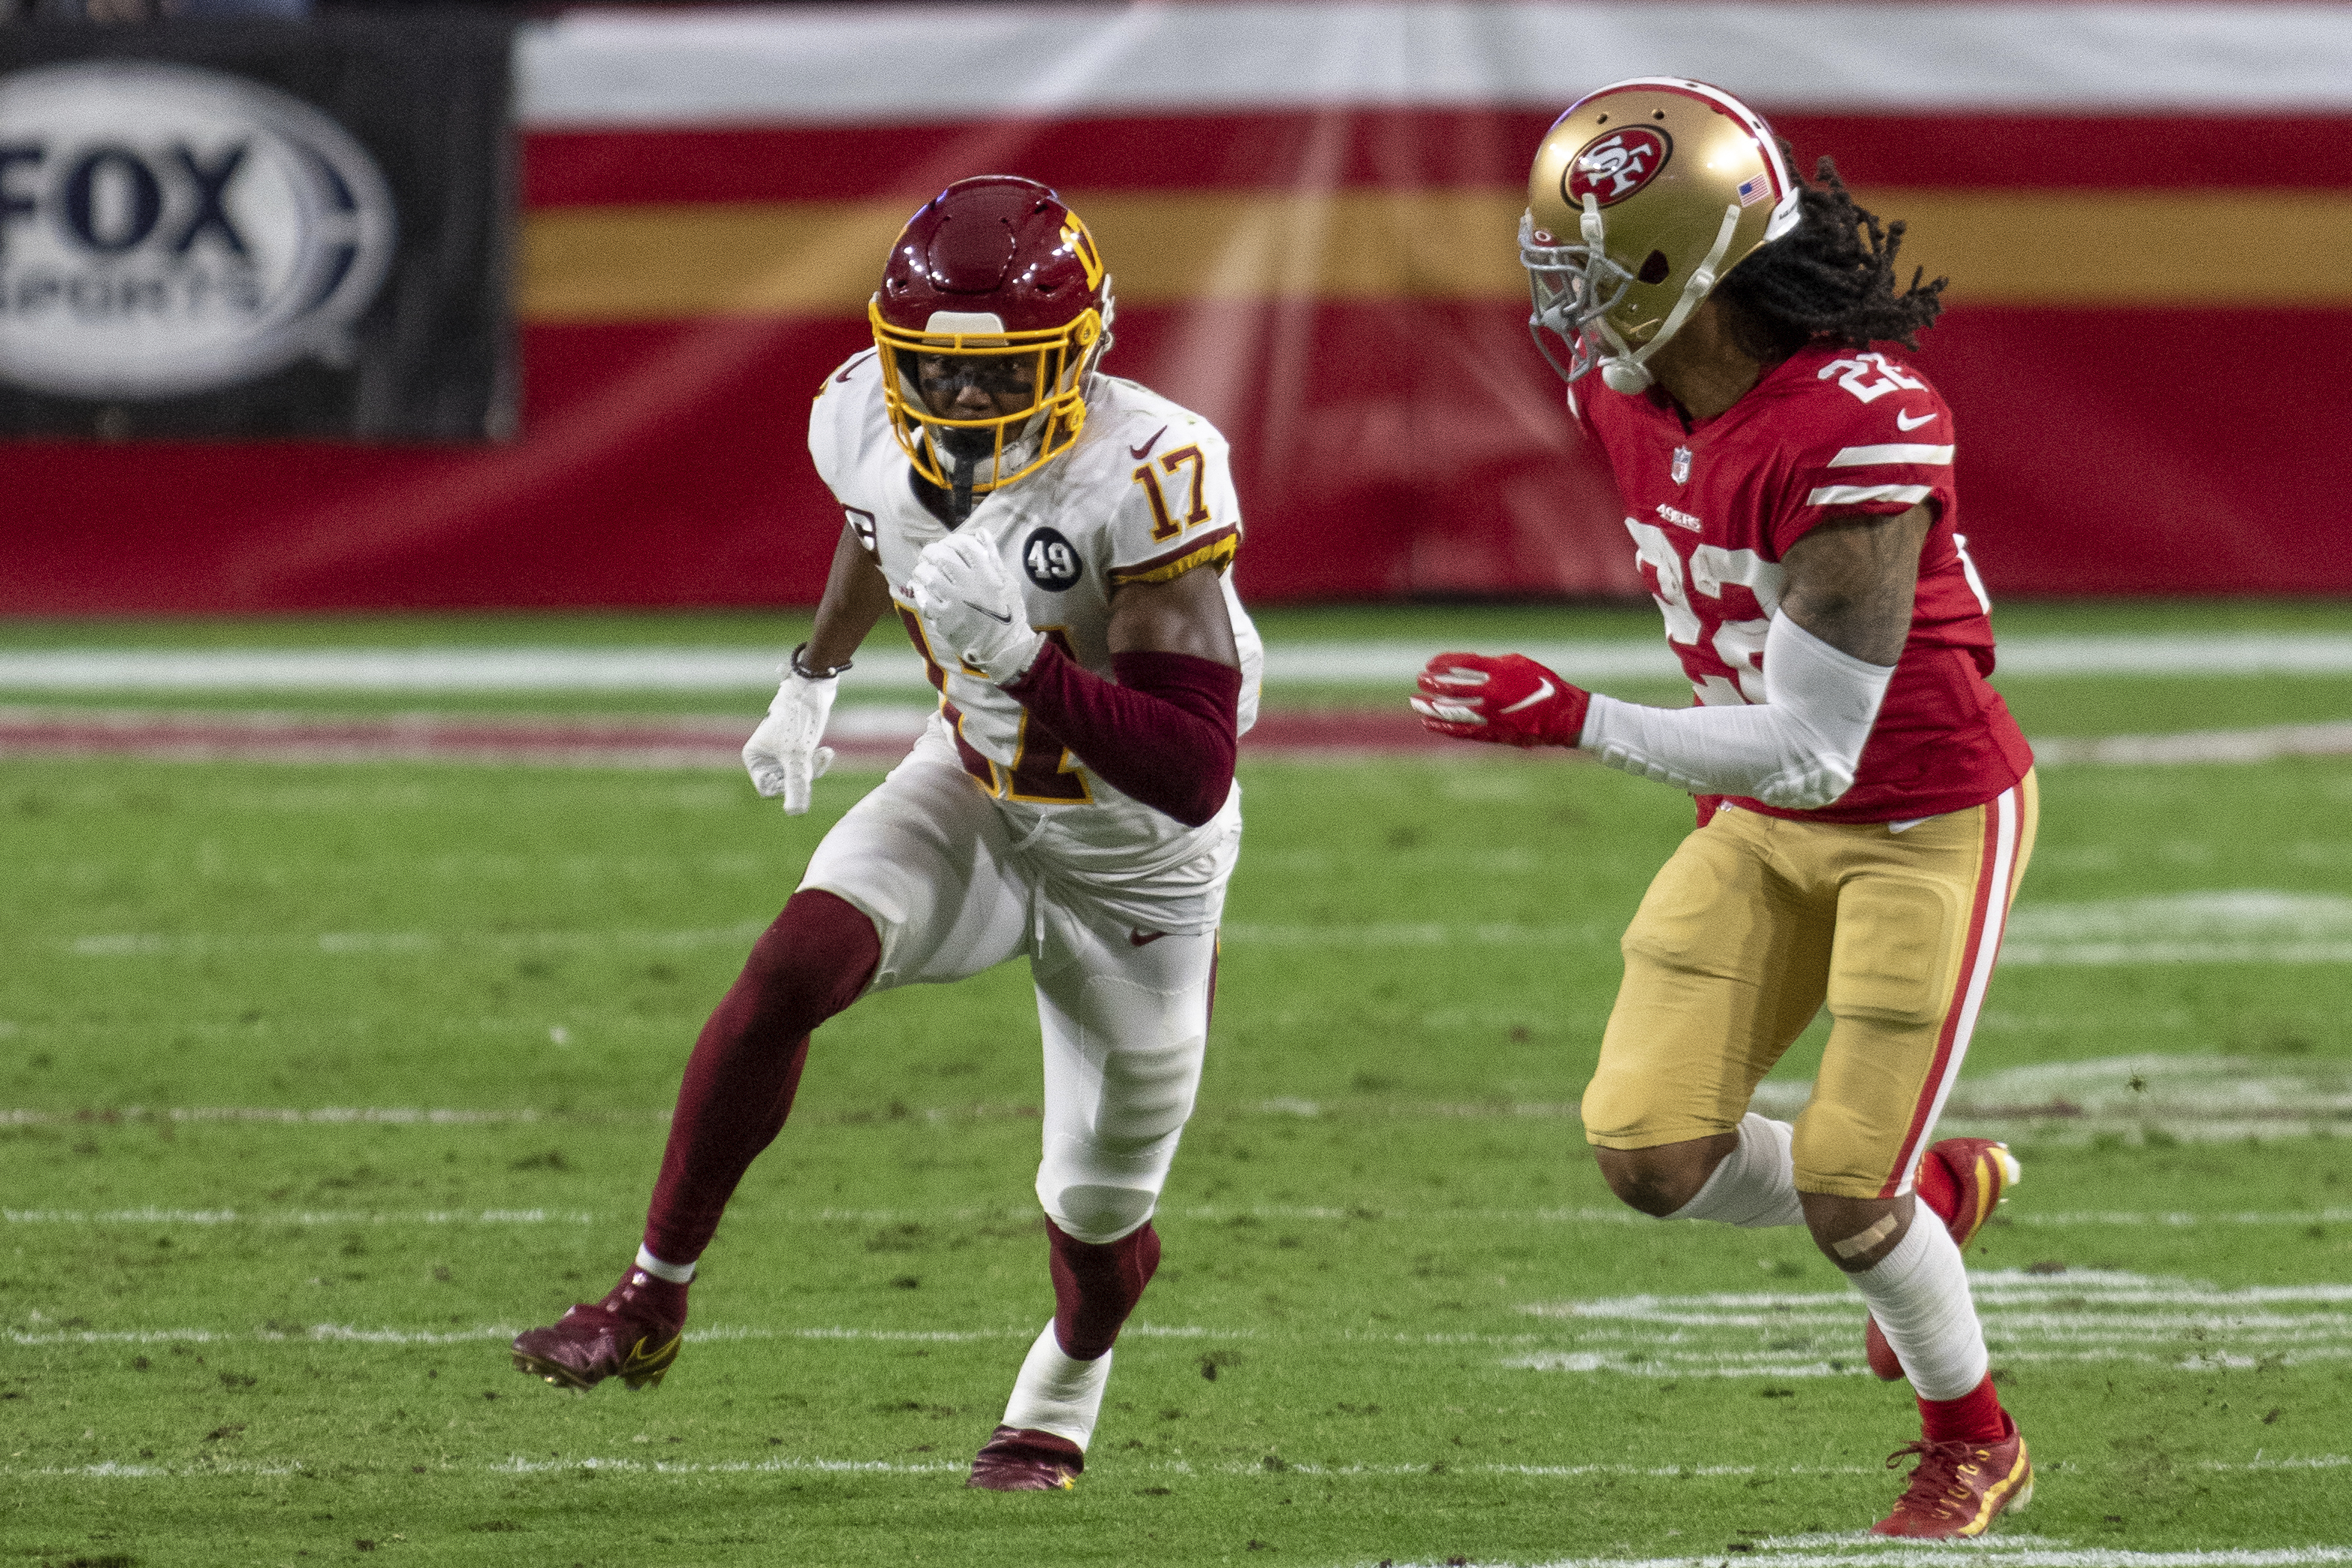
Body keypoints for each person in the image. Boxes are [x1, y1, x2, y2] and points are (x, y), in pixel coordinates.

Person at [511, 175, 1263, 1493]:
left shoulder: (1148, 469)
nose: (963, 407)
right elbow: (881, 528)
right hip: (971, 785)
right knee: (793, 968)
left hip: (1135, 862)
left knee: (1096, 1219)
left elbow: (1194, 769)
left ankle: (1059, 1393)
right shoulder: (862, 409)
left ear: (1079, 355)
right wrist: (812, 677)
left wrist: (1022, 660)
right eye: (935, 373)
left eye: (1002, 376)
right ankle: (648, 1301)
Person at [1411, 79, 2037, 1538]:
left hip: (1916, 820)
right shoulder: (1626, 381)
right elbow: (1780, 767)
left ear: (1680, 268)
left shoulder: (1855, 431)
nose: (1557, 297)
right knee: (1651, 1154)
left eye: (1585, 262)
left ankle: (1974, 1433)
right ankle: (1939, 1192)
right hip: (1758, 814)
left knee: (1842, 1191)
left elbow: (1822, 752)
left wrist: (1571, 717)